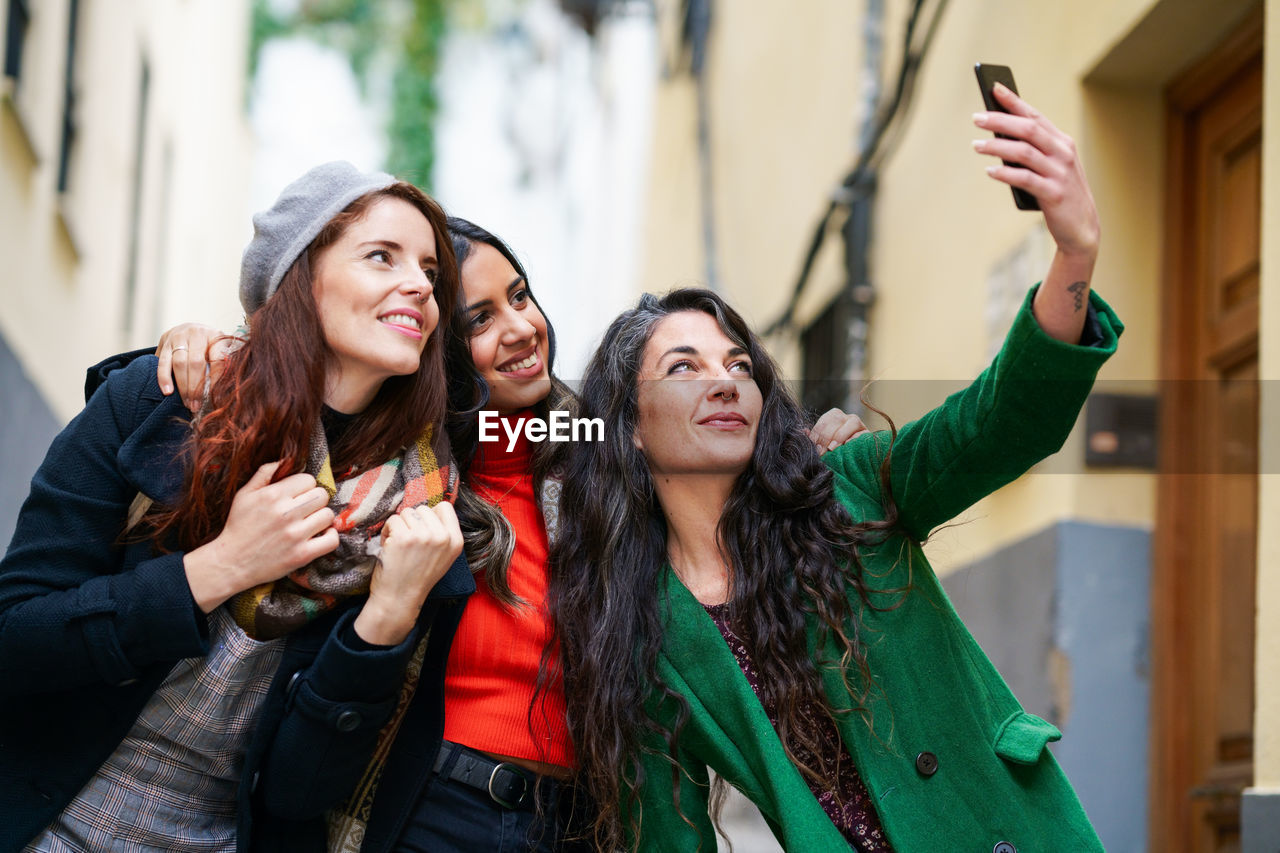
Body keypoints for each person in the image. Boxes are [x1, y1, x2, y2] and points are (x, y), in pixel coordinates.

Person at [141, 211, 870, 851]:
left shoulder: (604, 458)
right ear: (435, 348)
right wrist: (205, 343)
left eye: (520, 296)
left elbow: (710, 449)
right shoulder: (399, 486)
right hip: (434, 811)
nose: (521, 327)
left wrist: (813, 443)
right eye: (479, 319)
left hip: (585, 822)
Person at [547, 84, 1117, 851]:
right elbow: (664, 834)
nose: (724, 380)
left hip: (1005, 830)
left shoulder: (849, 483)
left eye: (738, 363)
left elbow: (1000, 421)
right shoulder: (642, 625)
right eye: (684, 367)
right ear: (632, 429)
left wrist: (1074, 253)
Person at [0, 161, 467, 852]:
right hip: (44, 820)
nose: (419, 285)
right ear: (297, 278)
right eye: (381, 256)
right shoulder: (158, 407)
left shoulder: (418, 516)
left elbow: (297, 795)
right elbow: (16, 640)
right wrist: (218, 567)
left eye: (430, 270)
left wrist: (386, 618)